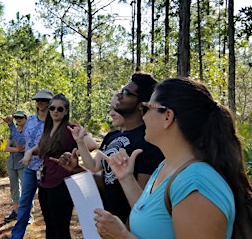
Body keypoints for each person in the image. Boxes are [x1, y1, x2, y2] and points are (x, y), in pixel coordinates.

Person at [94, 77, 252, 239]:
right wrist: (126, 177)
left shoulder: (196, 183)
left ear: (167, 116)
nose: (143, 116)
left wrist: (122, 236)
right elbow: (152, 216)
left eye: (146, 108)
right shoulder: (167, 166)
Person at [57, 72, 164, 223]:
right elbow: (107, 181)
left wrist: (124, 233)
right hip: (109, 223)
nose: (119, 95)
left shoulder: (148, 140)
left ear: (141, 105)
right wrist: (77, 169)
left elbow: (142, 202)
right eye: (121, 90)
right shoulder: (111, 136)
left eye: (126, 93)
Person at [22, 93, 97, 238]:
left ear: (66, 111)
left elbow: (91, 145)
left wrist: (75, 150)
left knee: (60, 228)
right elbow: (41, 147)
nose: (55, 111)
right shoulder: (48, 129)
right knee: (50, 227)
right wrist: (30, 152)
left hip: (62, 184)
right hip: (45, 182)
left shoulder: (70, 129)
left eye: (60, 109)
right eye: (52, 108)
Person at [2, 88, 53, 239]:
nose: (40, 102)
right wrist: (11, 125)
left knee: (49, 206)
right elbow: (22, 142)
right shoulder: (30, 120)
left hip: (47, 168)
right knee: (24, 203)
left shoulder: (53, 121)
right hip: (30, 168)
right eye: (37, 100)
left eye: (43, 100)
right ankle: (16, 236)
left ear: (50, 102)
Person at [3, 110, 27, 222]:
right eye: (16, 117)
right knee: (14, 188)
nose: (18, 119)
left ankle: (27, 214)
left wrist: (18, 149)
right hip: (11, 164)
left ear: (26, 118)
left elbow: (23, 147)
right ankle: (16, 211)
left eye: (21, 117)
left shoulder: (27, 132)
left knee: (26, 188)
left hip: (23, 163)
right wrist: (17, 149)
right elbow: (7, 148)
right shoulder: (13, 131)